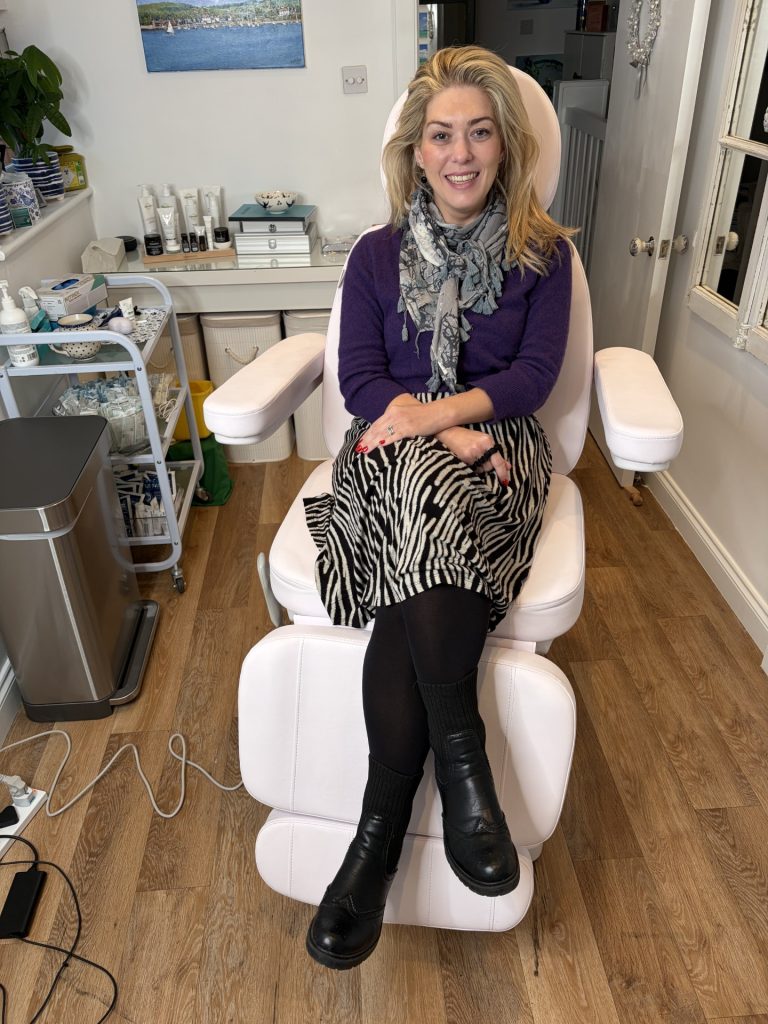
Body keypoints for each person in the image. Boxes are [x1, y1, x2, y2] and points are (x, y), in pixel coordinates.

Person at [303, 44, 573, 970]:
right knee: (419, 482)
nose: (461, 155)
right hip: (395, 441)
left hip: (501, 446)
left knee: (420, 538)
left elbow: (533, 378)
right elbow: (359, 377)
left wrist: (446, 418)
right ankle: (465, 762)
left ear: (505, 146)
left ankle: (372, 842)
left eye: (479, 134)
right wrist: (431, 429)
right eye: (442, 136)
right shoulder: (375, 257)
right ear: (415, 152)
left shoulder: (545, 254)